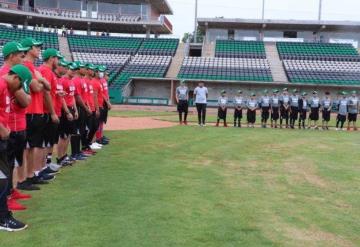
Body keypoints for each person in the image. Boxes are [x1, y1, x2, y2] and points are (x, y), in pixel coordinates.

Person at [0, 64, 32, 232]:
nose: (19, 90)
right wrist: (3, 128)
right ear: (16, 78)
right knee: (3, 178)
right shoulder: (1, 84)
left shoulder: (6, 87)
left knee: (3, 177)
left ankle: (4, 215)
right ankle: (3, 218)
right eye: (20, 85)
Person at [20, 37, 51, 189]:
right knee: (28, 147)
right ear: (28, 49)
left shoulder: (33, 68)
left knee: (33, 146)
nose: (39, 49)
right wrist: (42, 80)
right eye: (36, 47)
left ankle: (31, 175)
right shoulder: (27, 66)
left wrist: (42, 80)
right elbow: (38, 88)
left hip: (35, 111)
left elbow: (47, 86)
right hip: (30, 112)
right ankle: (25, 178)